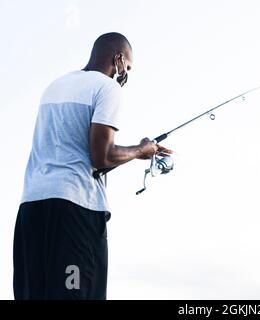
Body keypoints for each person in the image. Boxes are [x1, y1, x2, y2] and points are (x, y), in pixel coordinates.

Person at [13, 32, 172, 299]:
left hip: (32, 209)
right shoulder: (106, 88)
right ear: (118, 59)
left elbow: (78, 155)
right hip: (74, 212)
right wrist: (141, 149)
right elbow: (102, 156)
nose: (126, 74)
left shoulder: (54, 86)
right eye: (128, 67)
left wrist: (134, 154)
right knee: (77, 293)